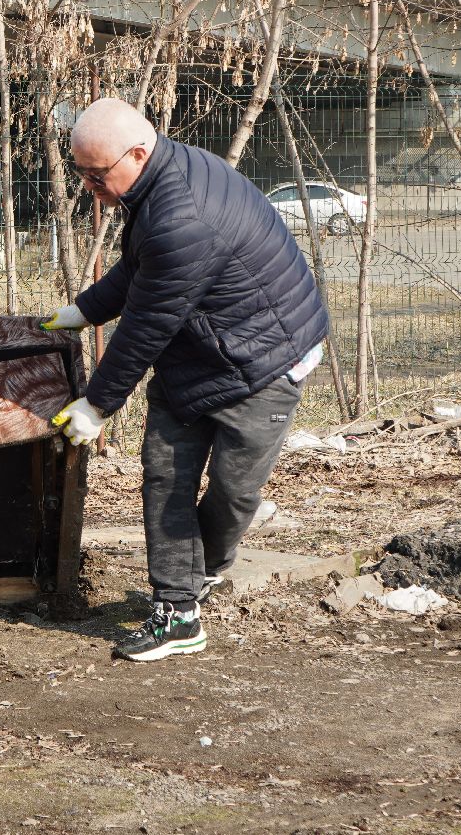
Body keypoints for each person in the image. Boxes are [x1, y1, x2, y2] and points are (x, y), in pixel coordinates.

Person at [43, 99, 329, 662]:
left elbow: (148, 323)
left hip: (263, 362)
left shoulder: (183, 216)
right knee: (166, 476)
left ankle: (207, 569)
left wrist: (97, 405)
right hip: (198, 350)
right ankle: (177, 612)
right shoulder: (162, 180)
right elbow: (144, 269)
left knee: (234, 488)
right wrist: (87, 309)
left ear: (138, 153)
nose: (90, 188)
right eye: (81, 174)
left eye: (96, 176)